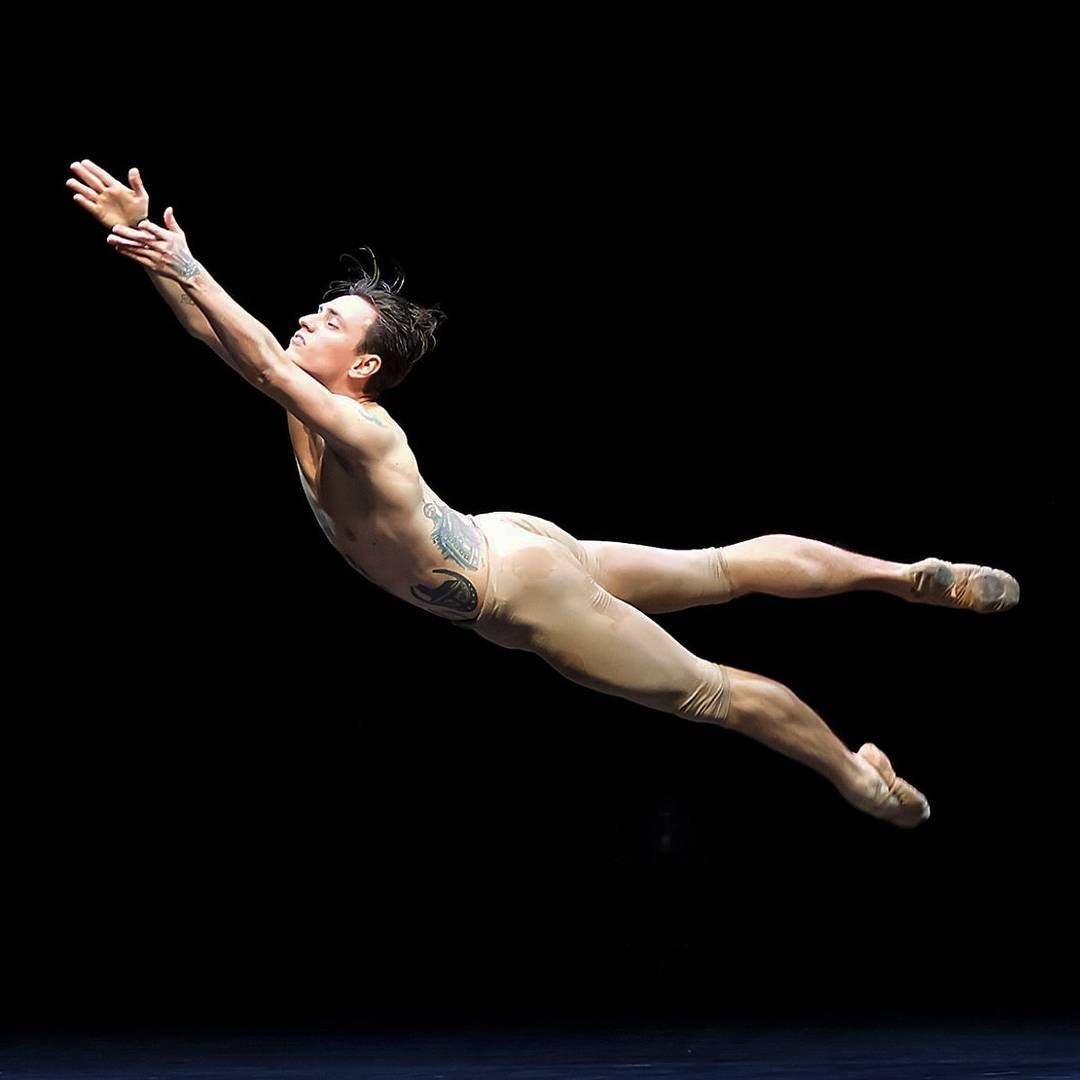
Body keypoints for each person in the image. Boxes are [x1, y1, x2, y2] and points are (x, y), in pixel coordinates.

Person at [68, 159, 1019, 829]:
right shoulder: (307, 400)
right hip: (508, 537)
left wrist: (186, 262)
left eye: (330, 319)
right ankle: (897, 575)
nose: (307, 318)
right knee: (722, 568)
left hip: (522, 592)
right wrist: (139, 241)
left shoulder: (359, 427)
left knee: (714, 693)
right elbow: (218, 337)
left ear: (362, 366)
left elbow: (257, 359)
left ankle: (856, 778)